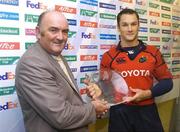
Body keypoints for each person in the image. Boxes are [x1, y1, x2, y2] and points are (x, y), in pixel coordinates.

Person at [15, 10, 108, 132]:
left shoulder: (56, 56)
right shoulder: (32, 63)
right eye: (53, 30)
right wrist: (93, 109)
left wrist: (92, 100)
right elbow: (61, 116)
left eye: (65, 31)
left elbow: (68, 102)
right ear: (38, 32)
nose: (60, 37)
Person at [100, 8, 173, 132]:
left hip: (147, 112)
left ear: (139, 25)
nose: (130, 29)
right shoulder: (109, 56)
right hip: (119, 113)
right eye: (125, 25)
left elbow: (167, 82)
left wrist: (147, 94)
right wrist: (95, 89)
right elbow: (103, 87)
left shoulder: (153, 52)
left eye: (133, 24)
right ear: (118, 27)